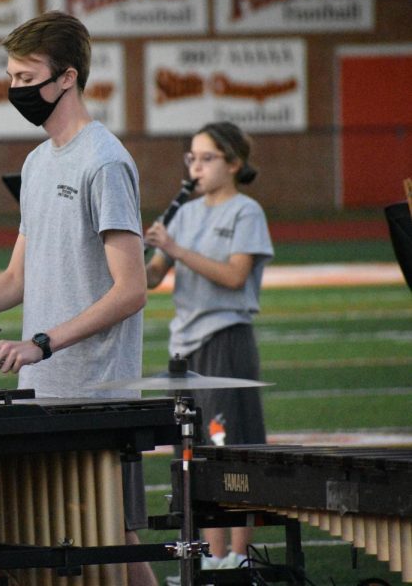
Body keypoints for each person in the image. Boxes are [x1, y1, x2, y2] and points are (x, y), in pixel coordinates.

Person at [0, 11, 156, 585]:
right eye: (11, 76)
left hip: (95, 390)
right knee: (63, 536)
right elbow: (17, 280)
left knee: (112, 535)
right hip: (42, 392)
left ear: (66, 78)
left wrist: (43, 343)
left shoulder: (105, 161)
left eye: (26, 76)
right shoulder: (37, 163)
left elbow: (131, 289)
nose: (14, 88)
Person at [144, 121, 273, 578]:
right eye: (191, 159)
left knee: (228, 444)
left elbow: (235, 276)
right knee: (193, 449)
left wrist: (175, 247)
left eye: (206, 158)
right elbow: (152, 277)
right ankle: (211, 555)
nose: (195, 167)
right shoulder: (185, 212)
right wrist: (122, 252)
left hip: (224, 337)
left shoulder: (246, 212)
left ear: (234, 163)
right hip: (186, 345)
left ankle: (238, 554)